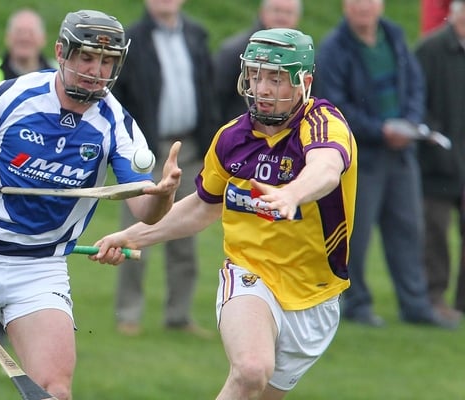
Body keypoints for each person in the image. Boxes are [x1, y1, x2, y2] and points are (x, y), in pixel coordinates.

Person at [0, 10, 182, 400]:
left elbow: (143, 210)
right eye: (87, 57)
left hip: (40, 267)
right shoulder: (12, 96)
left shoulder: (117, 124)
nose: (96, 70)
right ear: (61, 52)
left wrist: (163, 194)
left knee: (54, 392)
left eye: (107, 62)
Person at [94, 28, 356, 400]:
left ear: (304, 81)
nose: (262, 88)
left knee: (257, 392)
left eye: (276, 78)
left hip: (316, 295)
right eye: (256, 75)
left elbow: (327, 168)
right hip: (250, 274)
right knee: (251, 371)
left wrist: (292, 194)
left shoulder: (323, 123)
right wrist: (131, 235)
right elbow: (202, 207)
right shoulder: (232, 139)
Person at [315, 0, 457, 329]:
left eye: (370, 2)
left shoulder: (393, 35)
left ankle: (415, 305)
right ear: (344, 6)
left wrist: (409, 121)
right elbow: (335, 104)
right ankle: (356, 304)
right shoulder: (334, 48)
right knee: (356, 233)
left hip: (401, 153)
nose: (363, 8)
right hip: (362, 155)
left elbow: (415, 85)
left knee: (408, 230)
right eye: (356, 2)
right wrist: (378, 130)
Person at [110, 0, 220, 337]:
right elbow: (119, 97)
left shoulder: (197, 35)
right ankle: (128, 313)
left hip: (189, 149)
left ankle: (179, 314)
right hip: (146, 151)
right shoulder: (131, 39)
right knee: (136, 230)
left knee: (186, 232)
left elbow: (208, 92)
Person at [414, 0, 465, 320]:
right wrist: (435, 136)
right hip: (437, 160)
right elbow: (415, 100)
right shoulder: (429, 51)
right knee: (435, 233)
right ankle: (434, 298)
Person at [214, 0, 303, 122]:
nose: (282, 17)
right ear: (262, 13)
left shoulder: (304, 56)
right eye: (277, 10)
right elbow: (215, 100)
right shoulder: (234, 51)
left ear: (298, 17)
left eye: (288, 12)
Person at [0, 8, 55, 95]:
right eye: (19, 32)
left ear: (43, 39)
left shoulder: (59, 73)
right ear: (7, 37)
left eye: (31, 33)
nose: (24, 38)